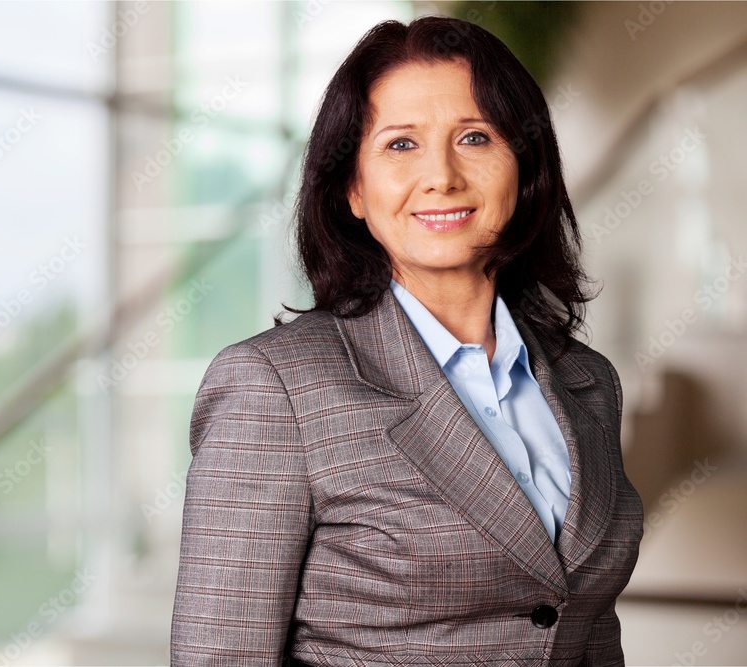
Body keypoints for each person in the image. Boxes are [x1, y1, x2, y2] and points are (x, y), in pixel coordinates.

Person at [171, 16, 643, 667]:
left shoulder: (588, 382)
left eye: (475, 137)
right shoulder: (274, 389)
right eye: (400, 145)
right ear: (353, 188)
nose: (442, 176)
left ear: (524, 166)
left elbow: (584, 626)